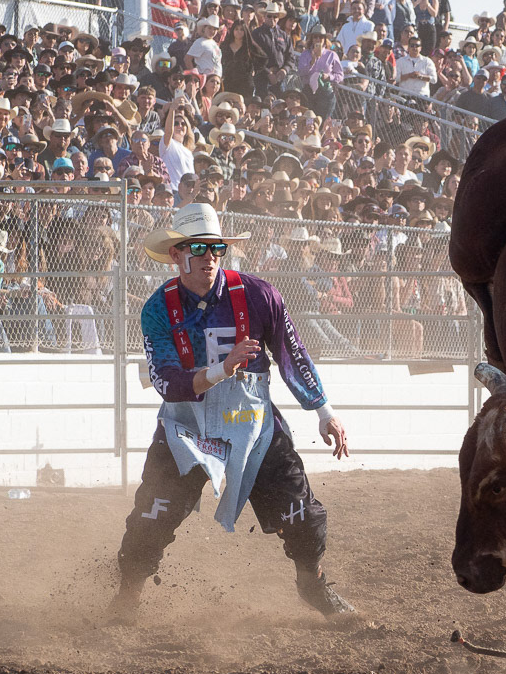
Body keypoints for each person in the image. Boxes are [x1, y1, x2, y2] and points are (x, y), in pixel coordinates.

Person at [111, 203, 355, 622]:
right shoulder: (157, 309)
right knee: (151, 514)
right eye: (199, 248)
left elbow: (292, 354)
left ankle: (313, 584)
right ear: (177, 254)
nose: (209, 257)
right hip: (186, 424)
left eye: (216, 248)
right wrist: (223, 369)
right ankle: (127, 595)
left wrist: (323, 410)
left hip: (252, 422)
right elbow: (168, 381)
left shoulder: (260, 295)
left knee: (303, 512)